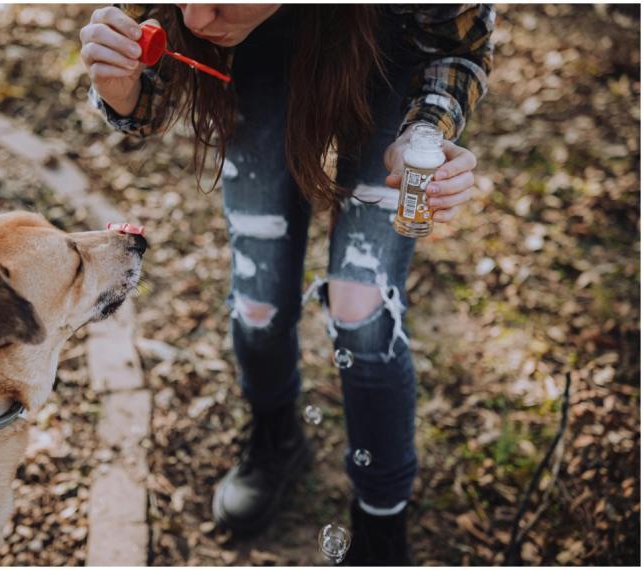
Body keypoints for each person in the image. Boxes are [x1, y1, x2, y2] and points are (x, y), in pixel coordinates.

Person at [81, 4, 493, 565]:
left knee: (361, 308)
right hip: (254, 65)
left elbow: (457, 46)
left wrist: (425, 132)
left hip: (385, 44)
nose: (198, 15)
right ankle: (276, 436)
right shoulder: (204, 16)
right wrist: (119, 86)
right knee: (257, 300)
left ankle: (381, 523)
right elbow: (152, 95)